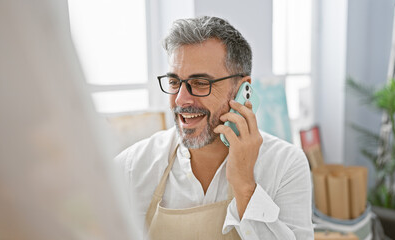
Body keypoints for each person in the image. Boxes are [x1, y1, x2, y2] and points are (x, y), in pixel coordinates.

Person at [115, 16, 313, 239]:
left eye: (200, 83)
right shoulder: (130, 168)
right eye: (174, 82)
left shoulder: (285, 165)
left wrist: (245, 186)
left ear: (242, 87)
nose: (181, 99)